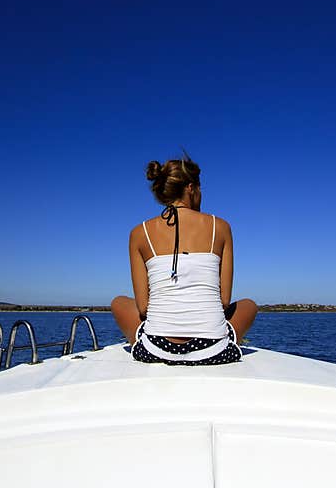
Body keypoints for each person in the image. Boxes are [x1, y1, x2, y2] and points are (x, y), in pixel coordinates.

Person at [111, 154, 258, 365]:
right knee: (249, 305)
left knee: (118, 302)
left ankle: (159, 337)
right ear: (191, 187)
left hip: (156, 348)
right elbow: (224, 301)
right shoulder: (221, 227)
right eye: (200, 188)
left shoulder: (139, 233)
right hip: (213, 350)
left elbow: (143, 308)